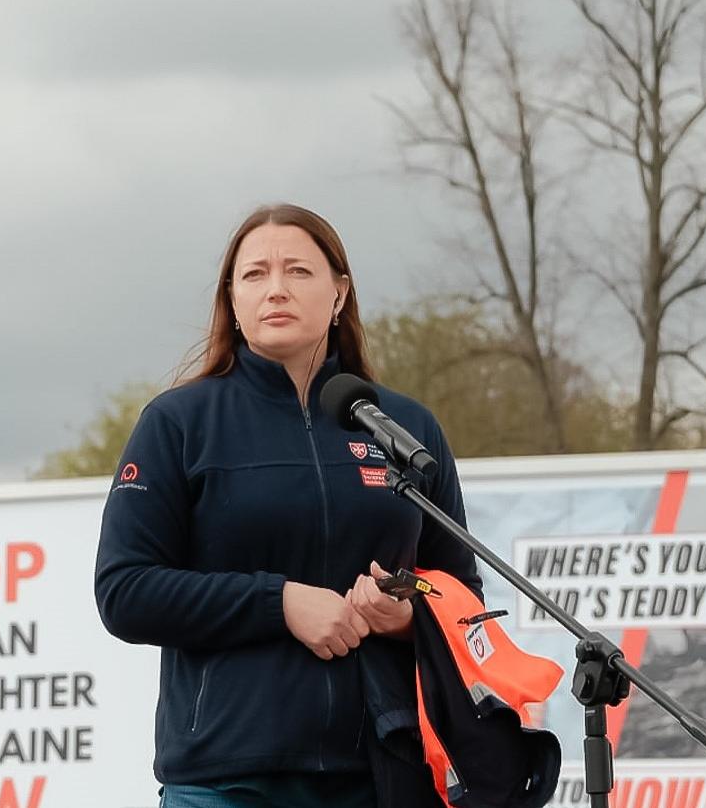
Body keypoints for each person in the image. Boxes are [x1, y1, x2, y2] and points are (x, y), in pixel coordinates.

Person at [93, 204, 481, 807]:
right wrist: (280, 603)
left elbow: (461, 590)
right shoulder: (178, 423)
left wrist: (409, 617)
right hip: (226, 780)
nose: (276, 289)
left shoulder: (405, 427)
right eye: (254, 275)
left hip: (385, 770)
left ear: (339, 293)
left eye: (299, 271)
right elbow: (126, 590)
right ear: (233, 299)